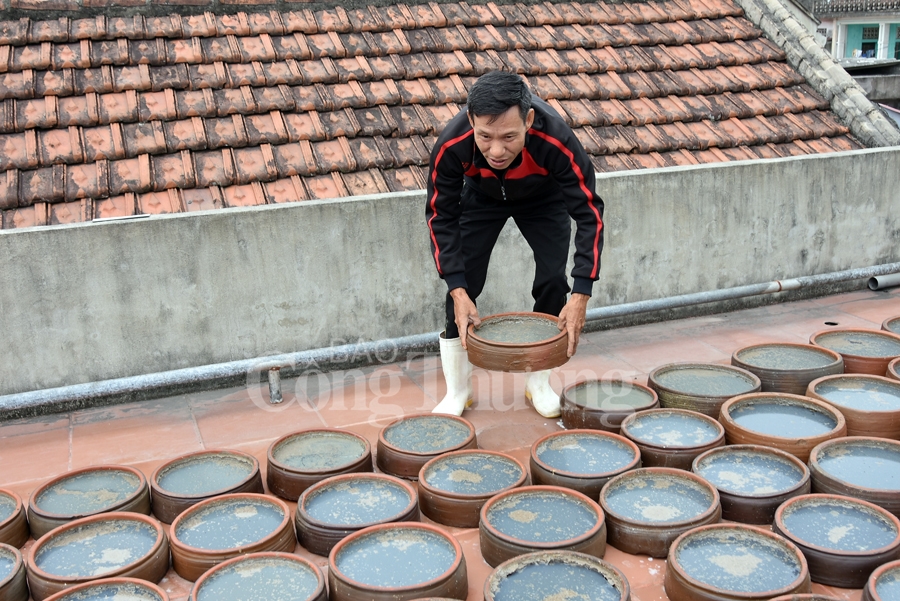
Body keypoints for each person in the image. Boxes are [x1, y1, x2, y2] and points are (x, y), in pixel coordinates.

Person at [425, 71, 605, 418]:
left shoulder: (556, 139)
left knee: (553, 280)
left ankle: (538, 383)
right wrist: (458, 291)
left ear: (530, 121)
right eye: (485, 136)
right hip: (480, 196)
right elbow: (440, 218)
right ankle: (458, 392)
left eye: (509, 136)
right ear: (470, 120)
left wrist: (582, 293)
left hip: (543, 196)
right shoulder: (451, 144)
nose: (496, 150)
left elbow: (589, 214)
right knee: (461, 285)